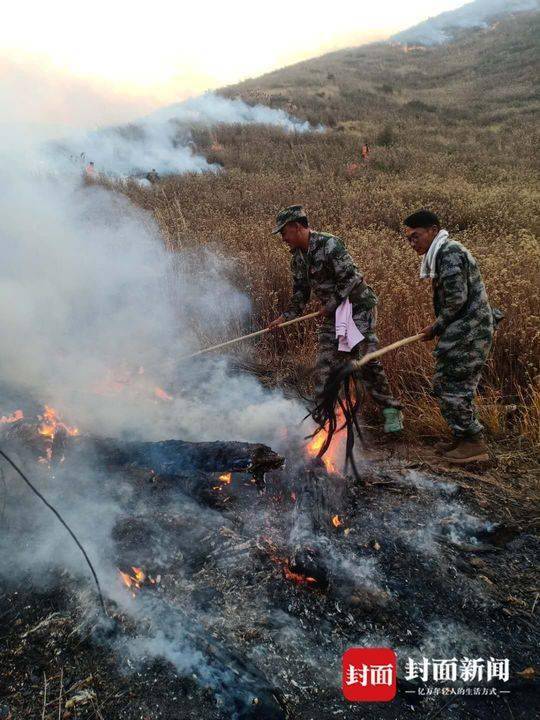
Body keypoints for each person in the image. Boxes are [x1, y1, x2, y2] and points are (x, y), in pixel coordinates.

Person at [269, 205, 403, 433]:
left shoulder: (329, 244)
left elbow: (352, 277)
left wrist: (331, 303)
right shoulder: (298, 259)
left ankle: (391, 410)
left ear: (297, 226)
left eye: (284, 232)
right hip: (334, 314)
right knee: (325, 363)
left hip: (357, 308)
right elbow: (300, 293)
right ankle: (322, 414)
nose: (283, 238)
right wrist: (285, 317)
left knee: (366, 360)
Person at [404, 209, 501, 463]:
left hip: (470, 333)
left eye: (416, 236)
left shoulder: (449, 253)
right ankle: (462, 438)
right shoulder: (442, 253)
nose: (413, 243)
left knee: (453, 386)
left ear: (433, 231)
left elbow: (456, 300)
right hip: (463, 332)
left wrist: (435, 327)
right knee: (448, 383)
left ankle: (473, 443)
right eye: (409, 239)